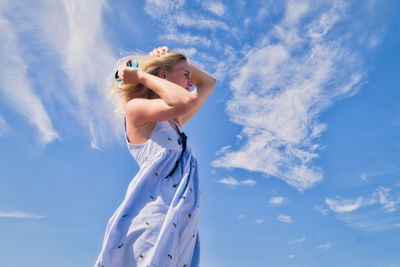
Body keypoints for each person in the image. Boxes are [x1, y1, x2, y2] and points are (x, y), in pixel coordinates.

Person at [94, 46, 216, 267]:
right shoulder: (136, 110)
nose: (191, 83)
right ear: (162, 75)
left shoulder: (174, 122)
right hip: (153, 221)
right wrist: (141, 74)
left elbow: (208, 83)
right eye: (186, 76)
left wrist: (176, 61)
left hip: (181, 226)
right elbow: (186, 101)